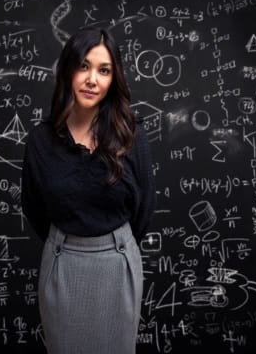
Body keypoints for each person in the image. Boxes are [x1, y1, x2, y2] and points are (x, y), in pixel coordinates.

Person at [21, 27, 156, 354]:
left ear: (113, 79)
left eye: (104, 70)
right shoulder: (41, 140)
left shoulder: (130, 136)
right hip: (63, 262)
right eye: (83, 66)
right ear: (68, 69)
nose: (92, 79)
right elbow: (34, 208)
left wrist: (112, 245)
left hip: (117, 261)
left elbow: (143, 209)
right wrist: (67, 243)